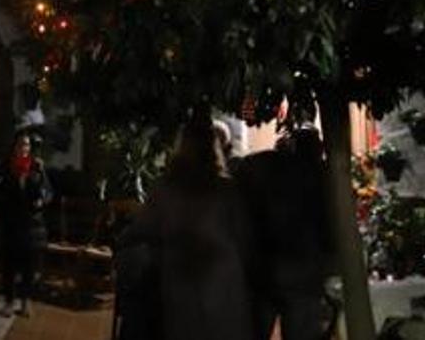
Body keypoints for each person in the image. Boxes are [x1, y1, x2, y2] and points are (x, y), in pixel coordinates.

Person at [115, 115, 255, 340]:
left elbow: (143, 228)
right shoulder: (227, 190)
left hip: (183, 277)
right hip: (221, 280)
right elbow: (245, 237)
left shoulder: (167, 188)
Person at [237, 127, 332, 340]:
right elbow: (325, 221)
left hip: (264, 264)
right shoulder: (316, 176)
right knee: (301, 327)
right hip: (299, 265)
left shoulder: (262, 166)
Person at [0, 129, 52, 317]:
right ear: (14, 146)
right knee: (9, 264)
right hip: (10, 222)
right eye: (20, 144)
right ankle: (9, 301)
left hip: (31, 223)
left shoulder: (36, 166)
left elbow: (48, 190)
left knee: (29, 265)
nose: (23, 148)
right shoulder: (4, 166)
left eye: (26, 145)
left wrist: (42, 200)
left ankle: (25, 301)